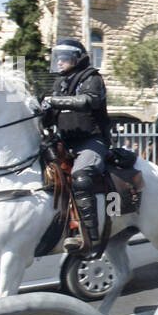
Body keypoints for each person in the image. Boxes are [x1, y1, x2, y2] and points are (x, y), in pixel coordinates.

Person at [43, 38, 111, 254]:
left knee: (81, 177)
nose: (60, 62)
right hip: (65, 143)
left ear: (77, 58)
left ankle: (90, 237)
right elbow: (51, 117)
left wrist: (53, 101)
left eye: (64, 58)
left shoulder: (92, 78)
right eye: (58, 58)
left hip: (91, 141)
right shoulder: (60, 84)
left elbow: (89, 101)